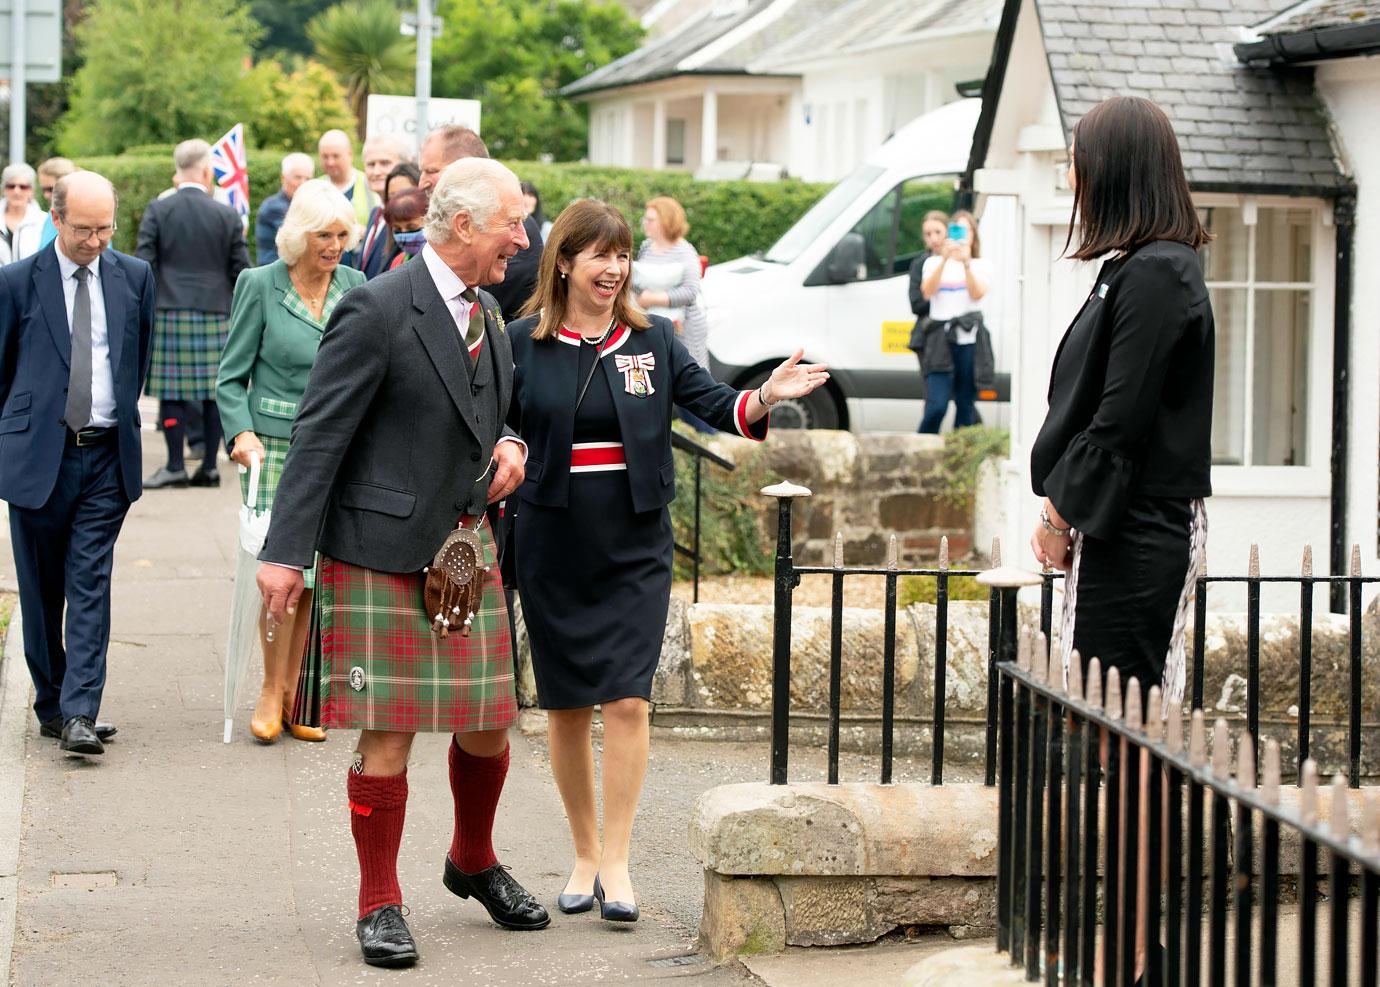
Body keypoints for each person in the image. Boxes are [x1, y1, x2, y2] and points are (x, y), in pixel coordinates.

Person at [255, 157, 546, 968]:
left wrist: (512, 443)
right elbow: (319, 434)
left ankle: (473, 859)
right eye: (511, 224)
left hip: (465, 546)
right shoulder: (376, 308)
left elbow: (496, 412)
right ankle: (378, 898)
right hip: (381, 549)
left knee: (490, 724)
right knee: (390, 736)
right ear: (461, 227)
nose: (522, 240)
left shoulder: (488, 310)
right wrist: (284, 555)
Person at [508, 199, 829, 924]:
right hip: (552, 543)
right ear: (565, 260)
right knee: (563, 707)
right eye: (601, 255)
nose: (617, 268)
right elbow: (491, 420)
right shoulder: (524, 340)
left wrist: (766, 395)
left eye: (623, 255)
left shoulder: (653, 341)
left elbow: (717, 404)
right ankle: (584, 851)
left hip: (634, 546)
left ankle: (617, 860)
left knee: (626, 697)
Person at [1028, 96, 1213, 985]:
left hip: (1136, 528)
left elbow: (1119, 418)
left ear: (1118, 168)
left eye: (1080, 160)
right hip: (1119, 522)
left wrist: (1062, 512)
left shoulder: (1159, 271)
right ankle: (1131, 942)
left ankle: (1139, 949)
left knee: (1127, 737)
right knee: (1113, 736)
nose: (1072, 176)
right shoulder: (1135, 266)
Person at [0, 171, 156, 756]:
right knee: (41, 592)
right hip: (39, 460)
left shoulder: (135, 276)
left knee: (90, 579)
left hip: (106, 458)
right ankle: (52, 702)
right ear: (56, 218)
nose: (95, 241)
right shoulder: (16, 283)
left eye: (106, 228)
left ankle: (81, 710)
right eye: (84, 229)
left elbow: (134, 358)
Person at [217, 179, 365, 744]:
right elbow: (232, 376)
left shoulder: (356, 284)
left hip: (337, 446)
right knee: (284, 575)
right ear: (298, 236)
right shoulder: (258, 284)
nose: (334, 246)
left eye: (342, 235)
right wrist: (242, 432)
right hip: (273, 448)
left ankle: (296, 692)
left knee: (316, 576)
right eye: (324, 235)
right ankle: (268, 691)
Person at [137, 139, 251, 489]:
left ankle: (174, 465)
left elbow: (145, 265)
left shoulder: (158, 209)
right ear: (206, 171)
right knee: (215, 391)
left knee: (172, 393)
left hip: (170, 310)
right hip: (217, 312)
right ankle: (209, 466)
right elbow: (241, 271)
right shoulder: (227, 214)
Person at [418, 124, 542, 321]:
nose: (421, 182)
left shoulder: (486, 301)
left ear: (465, 170)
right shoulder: (382, 304)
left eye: (431, 170)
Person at [916, 210, 995, 433]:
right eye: (957, 230)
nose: (961, 236)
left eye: (966, 230)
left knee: (965, 403)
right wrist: (944, 259)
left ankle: (960, 457)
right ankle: (923, 453)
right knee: (936, 405)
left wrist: (966, 263)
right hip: (940, 341)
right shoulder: (932, 263)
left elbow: (977, 293)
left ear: (973, 234)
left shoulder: (982, 265)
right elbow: (927, 292)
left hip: (970, 341)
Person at [633, 197, 708, 368]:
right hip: (653, 324)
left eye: (651, 220)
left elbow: (690, 291)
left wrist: (651, 299)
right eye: (645, 219)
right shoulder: (646, 246)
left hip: (683, 330)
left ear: (667, 221)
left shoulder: (685, 252)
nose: (646, 223)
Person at [355, 135, 411, 279]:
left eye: (385, 163)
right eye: (371, 164)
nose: (376, 171)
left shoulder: (411, 220)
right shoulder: (375, 214)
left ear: (405, 164)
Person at [319, 130, 375, 255]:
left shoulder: (370, 185)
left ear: (350, 154)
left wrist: (365, 232)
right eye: (325, 156)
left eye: (335, 156)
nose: (330, 162)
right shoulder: (315, 188)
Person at [255, 153, 314, 265]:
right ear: (283, 178)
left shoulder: (301, 205)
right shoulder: (274, 207)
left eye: (307, 178)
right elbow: (302, 240)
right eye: (297, 177)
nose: (303, 183)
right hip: (274, 276)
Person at [0, 164, 47, 265]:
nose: (17, 191)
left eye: (23, 187)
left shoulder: (44, 221)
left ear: (32, 191)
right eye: (11, 186)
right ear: (4, 189)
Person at [381, 188, 428, 272]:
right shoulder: (398, 261)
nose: (403, 234)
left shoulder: (445, 261)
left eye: (411, 227)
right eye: (397, 228)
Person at [35, 158, 76, 250]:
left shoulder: (84, 215)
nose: (46, 195)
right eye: (43, 189)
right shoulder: (52, 213)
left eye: (51, 189)